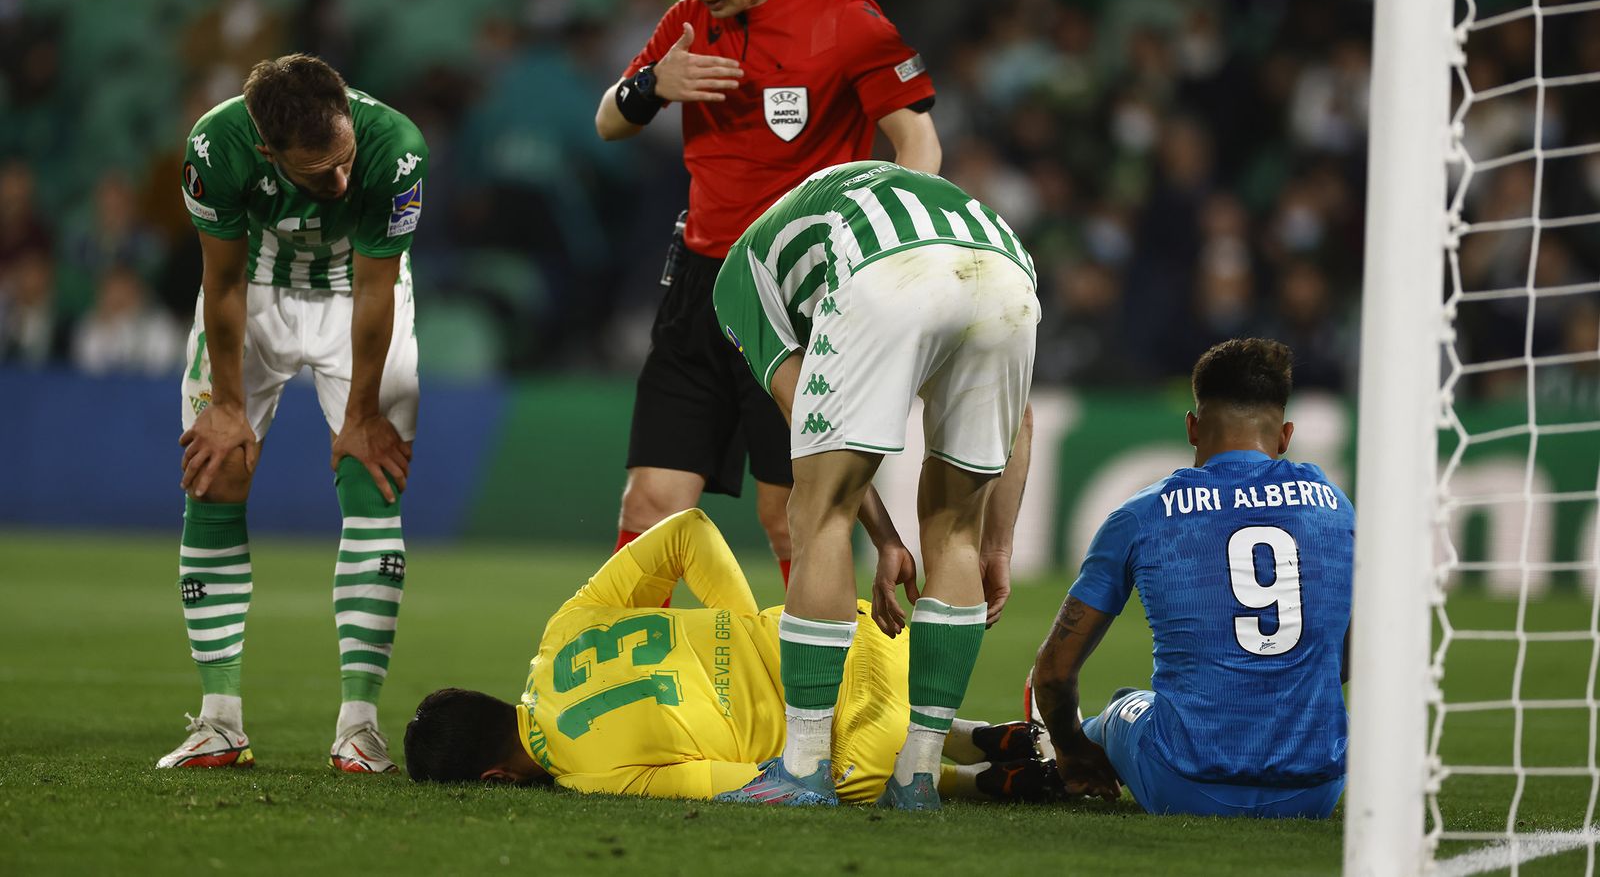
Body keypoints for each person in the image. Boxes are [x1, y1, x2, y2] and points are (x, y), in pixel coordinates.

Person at [594, 0, 941, 582]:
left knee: (793, 514)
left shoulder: (845, 21)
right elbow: (609, 120)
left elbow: (917, 141)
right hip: (699, 282)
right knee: (652, 499)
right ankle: (619, 682)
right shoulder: (687, 24)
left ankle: (832, 691)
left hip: (799, 294)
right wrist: (652, 86)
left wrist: (893, 254)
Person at [710, 161, 1039, 810]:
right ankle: (917, 773)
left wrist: (884, 537)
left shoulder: (735, 278)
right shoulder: (872, 194)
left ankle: (803, 769)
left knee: (817, 508)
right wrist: (997, 547)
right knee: (957, 532)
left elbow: (807, 409)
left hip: (888, 273)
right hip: (1007, 270)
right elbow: (1021, 418)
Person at [158, 54, 427, 774]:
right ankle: (219, 722)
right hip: (256, 297)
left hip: (356, 301)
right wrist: (225, 408)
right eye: (318, 173)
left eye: (344, 163)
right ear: (268, 152)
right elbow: (220, 282)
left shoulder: (394, 147)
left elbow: (377, 288)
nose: (340, 182)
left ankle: (359, 726)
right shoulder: (215, 149)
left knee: (375, 482)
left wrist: (362, 414)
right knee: (215, 471)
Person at [403, 508, 1054, 803]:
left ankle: (975, 778)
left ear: (495, 778)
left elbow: (760, 787)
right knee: (854, 741)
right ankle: (978, 737)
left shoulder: (592, 774)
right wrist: (743, 630)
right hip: (851, 627)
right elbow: (687, 530)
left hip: (860, 724)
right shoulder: (562, 631)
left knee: (849, 777)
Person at [1031, 338, 1354, 818]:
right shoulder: (1335, 508)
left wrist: (1072, 743)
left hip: (1185, 784)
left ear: (1192, 427)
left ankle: (1056, 759)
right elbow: (1349, 661)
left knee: (1126, 706)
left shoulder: (1143, 514)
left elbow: (1054, 673)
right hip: (1315, 790)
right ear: (1285, 436)